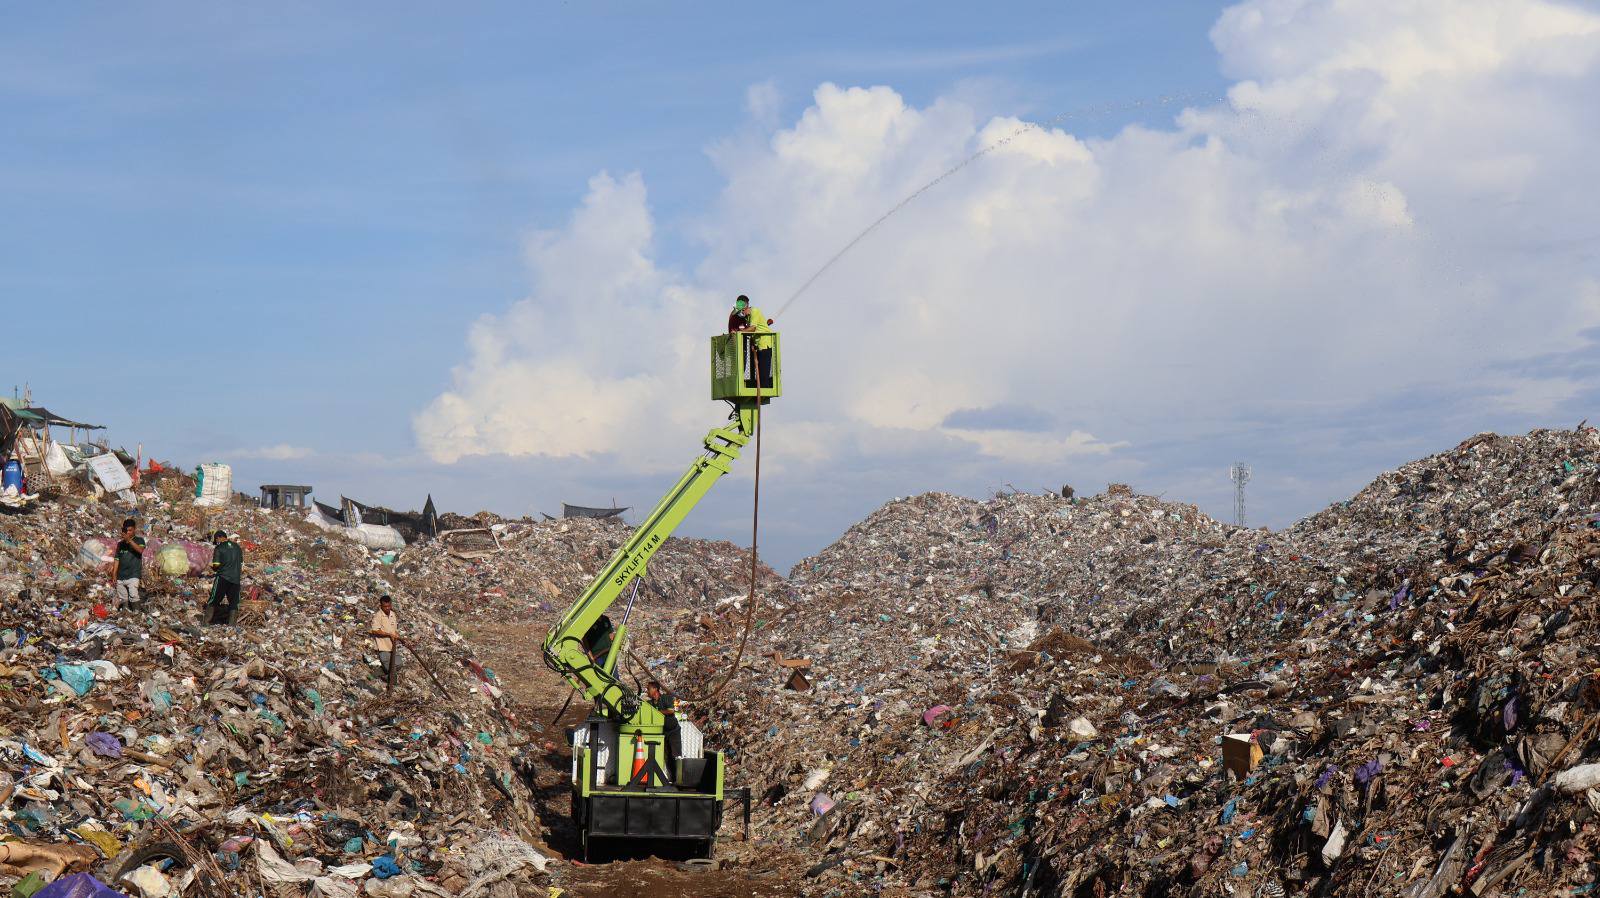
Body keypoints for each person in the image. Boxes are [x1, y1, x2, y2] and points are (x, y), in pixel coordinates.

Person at [727, 295, 775, 389]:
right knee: (758, 373)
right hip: (757, 346)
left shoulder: (755, 311)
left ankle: (763, 393)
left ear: (746, 307)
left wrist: (738, 332)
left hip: (765, 345)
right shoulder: (748, 317)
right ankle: (758, 390)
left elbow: (753, 328)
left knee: (763, 375)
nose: (741, 313)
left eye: (742, 311)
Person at [646, 680, 682, 779]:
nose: (647, 692)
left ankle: (678, 778)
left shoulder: (667, 698)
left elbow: (670, 711)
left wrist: (656, 712)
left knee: (675, 754)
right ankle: (669, 777)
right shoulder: (649, 703)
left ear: (655, 689)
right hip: (662, 732)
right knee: (665, 755)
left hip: (673, 731)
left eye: (648, 689)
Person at [207, 529, 243, 625]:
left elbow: (216, 565)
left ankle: (206, 623)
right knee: (234, 603)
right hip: (236, 579)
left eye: (216, 540)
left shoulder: (219, 548)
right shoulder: (237, 548)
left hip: (223, 577)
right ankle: (232, 626)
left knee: (213, 600)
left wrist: (212, 568)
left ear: (218, 538)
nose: (217, 542)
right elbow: (240, 563)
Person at [109, 518, 146, 610]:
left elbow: (140, 550)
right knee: (123, 598)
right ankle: (126, 615)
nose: (128, 532)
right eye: (126, 530)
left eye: (130, 530)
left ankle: (137, 613)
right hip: (121, 576)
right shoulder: (120, 544)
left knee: (133, 595)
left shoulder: (139, 540)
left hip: (133, 574)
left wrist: (129, 540)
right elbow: (117, 559)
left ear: (134, 529)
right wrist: (114, 574)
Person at [368, 595, 400, 682]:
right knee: (391, 669)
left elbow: (395, 630)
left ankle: (379, 673)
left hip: (392, 646)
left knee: (399, 663)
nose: (387, 608)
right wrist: (388, 634)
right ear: (381, 606)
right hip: (383, 646)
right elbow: (375, 630)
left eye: (389, 606)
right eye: (385, 606)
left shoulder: (393, 614)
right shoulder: (378, 616)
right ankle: (390, 681)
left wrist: (397, 636)